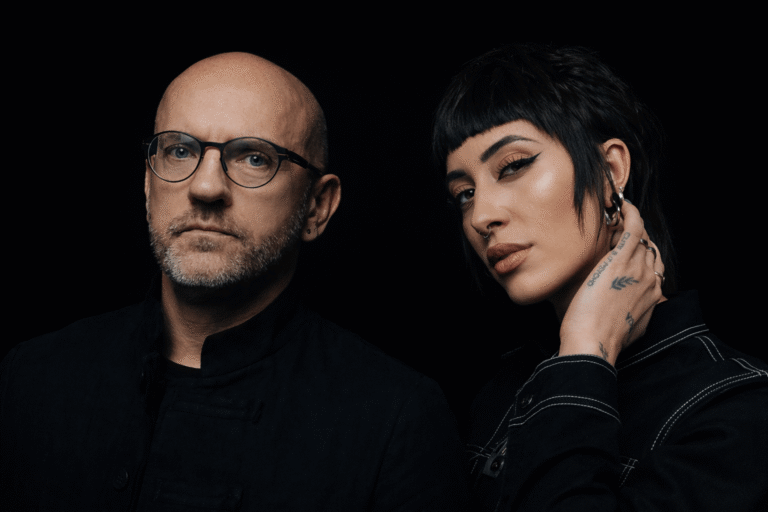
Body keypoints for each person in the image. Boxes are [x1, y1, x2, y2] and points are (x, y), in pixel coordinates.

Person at [1, 52, 468, 510]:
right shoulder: (29, 379)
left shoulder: (395, 420)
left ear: (317, 206)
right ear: (147, 185)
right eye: (180, 150)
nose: (205, 188)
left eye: (254, 159)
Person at [433, 43, 768, 511]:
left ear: (610, 171)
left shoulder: (737, 411)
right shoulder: (500, 391)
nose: (481, 216)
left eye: (512, 166)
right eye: (465, 193)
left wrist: (586, 350)